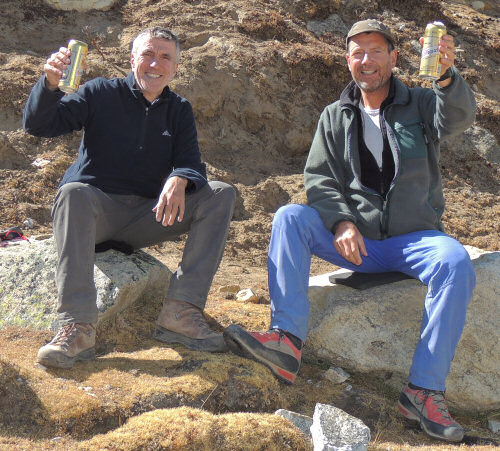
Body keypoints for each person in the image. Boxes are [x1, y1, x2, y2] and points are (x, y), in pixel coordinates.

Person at [224, 19, 476, 442]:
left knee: (454, 261)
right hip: (356, 243)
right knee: (290, 217)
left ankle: (422, 392)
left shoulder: (420, 103)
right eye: (357, 53)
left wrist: (448, 76)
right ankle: (286, 341)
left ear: (394, 58)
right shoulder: (334, 115)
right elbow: (319, 179)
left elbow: (458, 118)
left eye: (376, 51)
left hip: (414, 240)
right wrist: (341, 221)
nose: (367, 60)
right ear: (347, 61)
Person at [23, 27, 236, 370]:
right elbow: (40, 125)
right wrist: (49, 84)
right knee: (73, 193)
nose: (155, 64)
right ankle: (76, 327)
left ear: (176, 67)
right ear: (132, 59)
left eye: (165, 57)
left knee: (222, 193)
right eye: (148, 54)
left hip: (148, 218)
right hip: (96, 212)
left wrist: (181, 177)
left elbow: (191, 162)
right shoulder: (99, 92)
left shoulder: (179, 109)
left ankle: (181, 313)